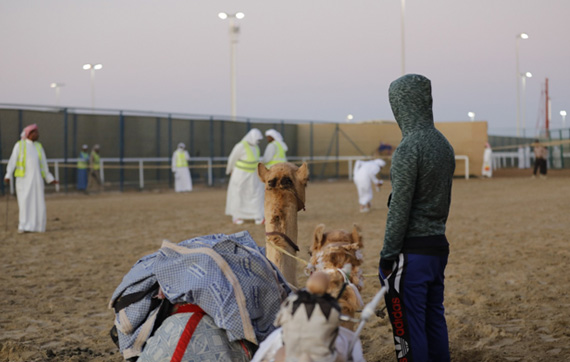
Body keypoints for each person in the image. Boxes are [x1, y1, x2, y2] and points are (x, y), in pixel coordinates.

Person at [379, 74, 455, 362]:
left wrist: (387, 256)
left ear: (400, 106)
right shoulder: (443, 145)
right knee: (434, 319)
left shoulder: (409, 148)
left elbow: (401, 207)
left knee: (408, 330)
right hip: (437, 247)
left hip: (411, 254)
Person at [4, 124, 58, 233]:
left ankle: (39, 227)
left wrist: (50, 178)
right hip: (23, 180)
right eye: (35, 132)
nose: (37, 134)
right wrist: (8, 175)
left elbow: (44, 164)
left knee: (39, 204)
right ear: (29, 134)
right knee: (24, 203)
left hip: (37, 180)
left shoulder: (39, 147)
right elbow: (12, 161)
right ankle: (24, 227)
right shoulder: (20, 145)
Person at [225, 128, 265, 225]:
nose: (258, 141)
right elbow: (232, 159)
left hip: (253, 175)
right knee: (238, 194)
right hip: (240, 175)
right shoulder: (240, 146)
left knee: (255, 194)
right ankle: (237, 216)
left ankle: (257, 216)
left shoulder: (256, 147)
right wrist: (229, 170)